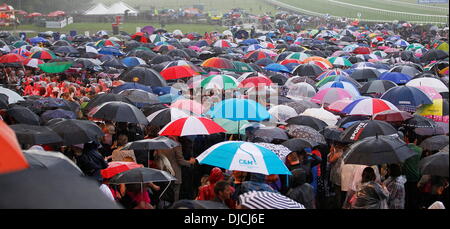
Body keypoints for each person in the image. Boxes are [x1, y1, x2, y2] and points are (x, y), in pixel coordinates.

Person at [156, 136, 196, 202]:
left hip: (164, 172)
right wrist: (190, 162)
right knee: (175, 195)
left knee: (165, 193)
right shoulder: (176, 145)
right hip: (175, 173)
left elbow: (157, 157)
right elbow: (180, 161)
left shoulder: (160, 144)